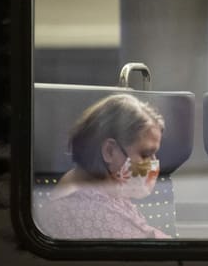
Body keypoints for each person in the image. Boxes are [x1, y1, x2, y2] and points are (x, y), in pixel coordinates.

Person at [38, 94, 170, 239]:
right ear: (110, 151)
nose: (153, 164)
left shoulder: (99, 185)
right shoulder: (85, 209)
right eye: (145, 154)